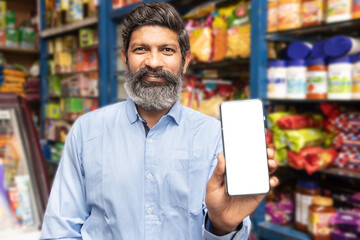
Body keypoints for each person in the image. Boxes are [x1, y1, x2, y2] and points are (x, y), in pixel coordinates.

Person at [40, 2, 279, 239]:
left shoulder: (215, 136)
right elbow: (60, 231)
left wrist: (222, 226)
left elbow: (227, 219)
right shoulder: (87, 131)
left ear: (185, 61)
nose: (153, 62)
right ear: (125, 58)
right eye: (140, 49)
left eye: (167, 50)